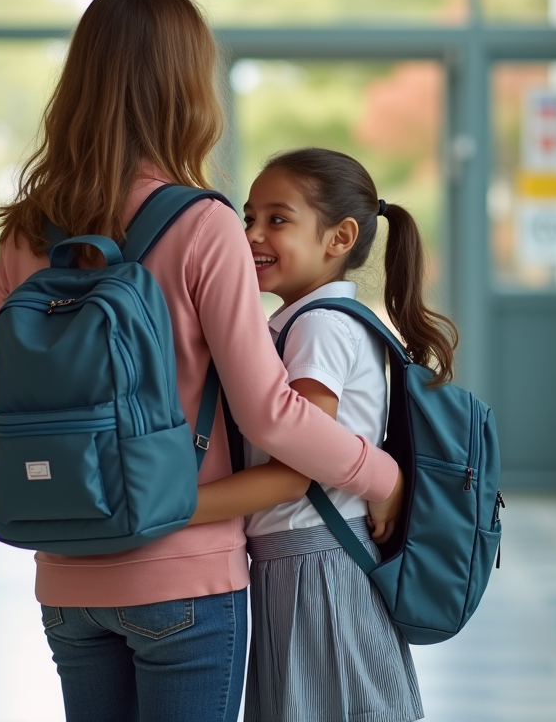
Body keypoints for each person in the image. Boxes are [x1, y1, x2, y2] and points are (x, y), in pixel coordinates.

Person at [0, 0, 404, 722]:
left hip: (67, 577)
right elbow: (269, 414)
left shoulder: (26, 230)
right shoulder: (203, 224)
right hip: (184, 577)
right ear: (185, 88)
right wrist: (380, 474)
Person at [189, 147, 460, 722]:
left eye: (277, 219)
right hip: (306, 562)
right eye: (249, 217)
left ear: (339, 238)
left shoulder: (318, 327)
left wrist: (172, 509)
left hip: (315, 567)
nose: (251, 234)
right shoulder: (308, 321)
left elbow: (295, 470)